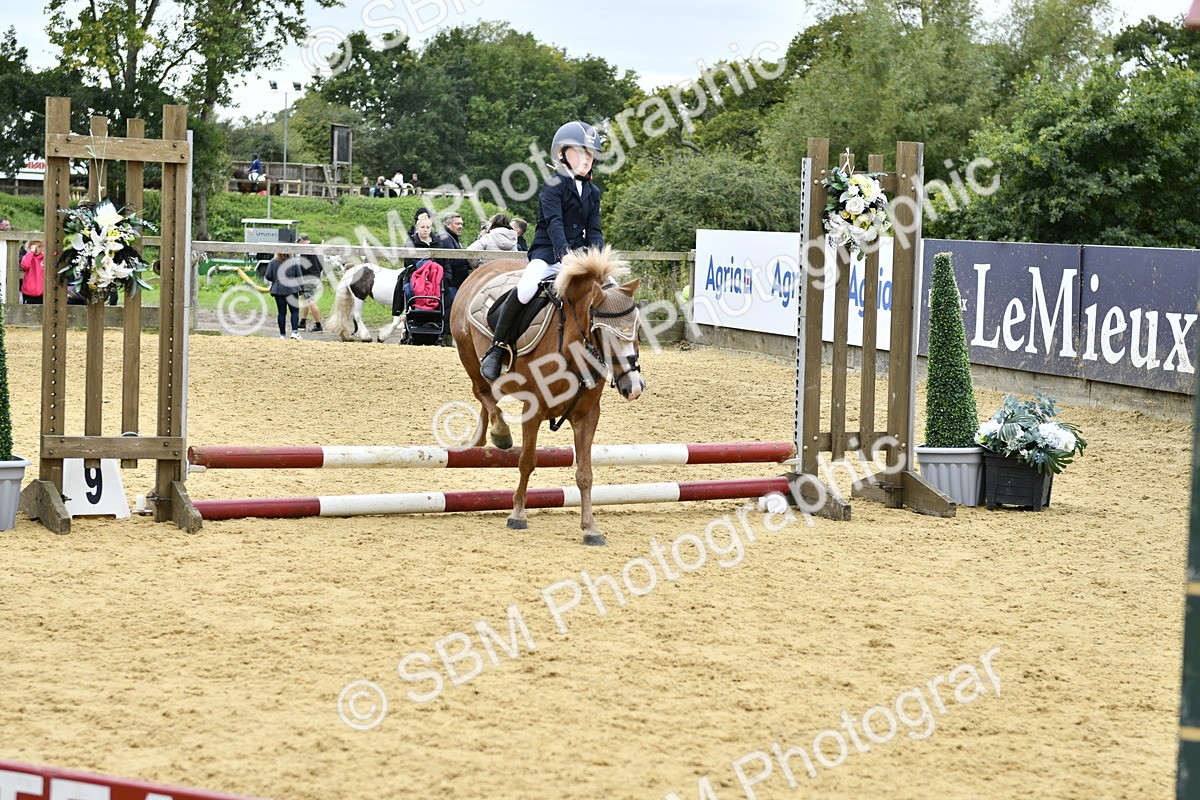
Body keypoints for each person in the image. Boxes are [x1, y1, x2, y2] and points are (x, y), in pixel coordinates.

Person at [479, 121, 604, 381]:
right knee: (525, 289)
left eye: (590, 154)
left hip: (580, 258)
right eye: (580, 152)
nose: (586, 159)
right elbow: (555, 224)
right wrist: (564, 255)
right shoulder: (553, 185)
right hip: (549, 254)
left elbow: (594, 230)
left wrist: (598, 260)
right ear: (562, 154)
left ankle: (608, 355)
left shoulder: (593, 191)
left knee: (611, 292)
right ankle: (497, 347)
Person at [395, 216, 441, 316]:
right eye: (422, 227)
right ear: (417, 228)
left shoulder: (437, 242)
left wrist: (447, 277)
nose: (425, 229)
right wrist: (425, 266)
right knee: (409, 287)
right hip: (415, 273)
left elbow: (444, 262)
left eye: (428, 227)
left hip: (434, 275)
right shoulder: (410, 241)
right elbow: (409, 261)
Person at [437, 211, 472, 315]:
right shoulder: (445, 238)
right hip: (451, 283)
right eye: (457, 224)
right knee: (455, 312)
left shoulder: (452, 237)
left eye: (461, 224)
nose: (460, 226)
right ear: (447, 224)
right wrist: (469, 260)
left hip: (456, 282)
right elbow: (452, 259)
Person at [264, 252, 304, 339]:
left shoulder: (273, 262)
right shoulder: (293, 261)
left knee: (281, 313)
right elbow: (299, 277)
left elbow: (268, 276)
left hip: (278, 289)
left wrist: (275, 278)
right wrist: (302, 289)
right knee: (294, 311)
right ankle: (294, 332)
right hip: (292, 289)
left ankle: (282, 335)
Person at [295, 234, 324, 333]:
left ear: (301, 240)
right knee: (306, 299)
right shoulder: (316, 247)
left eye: (298, 242)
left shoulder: (305, 249)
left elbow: (303, 266)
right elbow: (321, 264)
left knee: (310, 300)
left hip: (308, 277)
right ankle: (302, 322)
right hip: (316, 276)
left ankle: (318, 325)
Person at [19, 239, 44, 305]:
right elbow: (24, 266)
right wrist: (31, 252)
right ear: (30, 247)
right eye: (34, 247)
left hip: (42, 293)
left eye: (39, 246)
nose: (36, 249)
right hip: (28, 294)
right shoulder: (27, 257)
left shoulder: (45, 258)